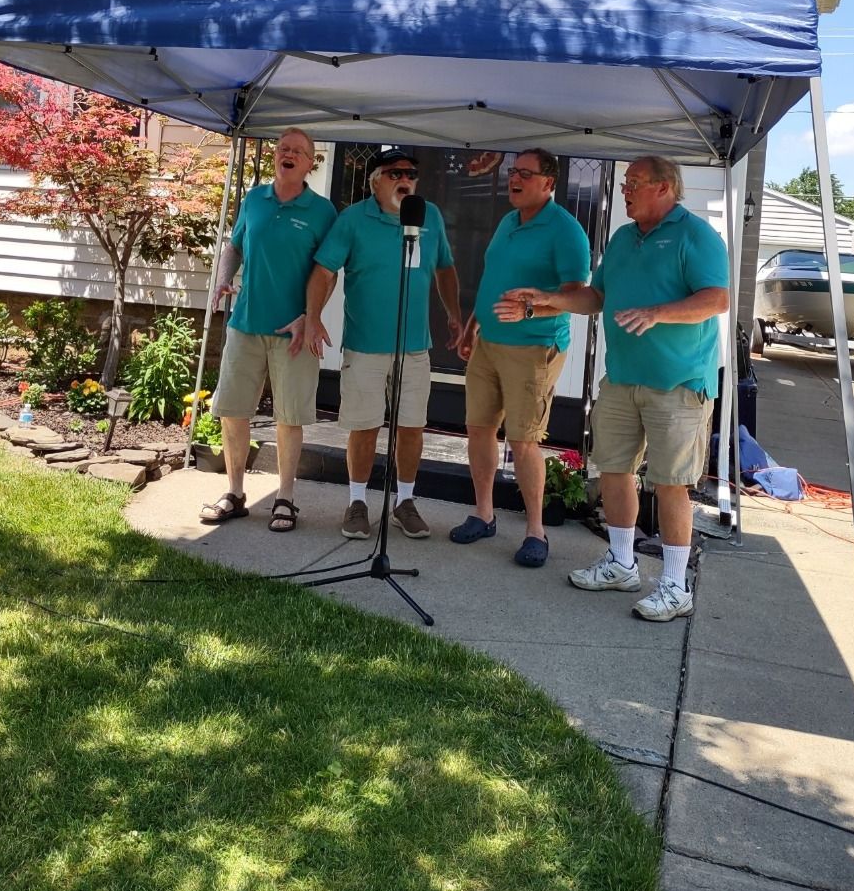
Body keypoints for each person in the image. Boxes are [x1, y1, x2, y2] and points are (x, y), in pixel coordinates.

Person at [496, 156, 729, 621]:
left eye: (635, 184)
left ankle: (674, 585)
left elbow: (716, 298)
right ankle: (622, 563)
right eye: (625, 183)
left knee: (670, 483)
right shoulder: (623, 239)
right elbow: (595, 296)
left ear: (664, 188)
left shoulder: (695, 235)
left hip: (678, 384)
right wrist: (546, 302)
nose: (625, 191)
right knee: (615, 472)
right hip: (622, 378)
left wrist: (659, 312)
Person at [305, 148, 461, 541]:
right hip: (365, 344)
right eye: (394, 173)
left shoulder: (430, 216)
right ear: (375, 181)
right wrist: (313, 316)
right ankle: (357, 502)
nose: (405, 179)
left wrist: (454, 315)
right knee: (365, 426)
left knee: (411, 427)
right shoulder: (353, 218)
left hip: (414, 347)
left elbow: (444, 268)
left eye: (411, 173)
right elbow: (324, 270)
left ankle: (404, 502)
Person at [450, 148, 591, 568]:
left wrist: (531, 308)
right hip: (489, 343)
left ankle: (535, 531)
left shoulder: (566, 231)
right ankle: (484, 514)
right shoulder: (508, 221)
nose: (515, 179)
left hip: (534, 346)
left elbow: (577, 297)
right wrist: (472, 326)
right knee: (478, 429)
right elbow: (493, 279)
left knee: (524, 440)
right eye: (514, 172)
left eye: (525, 174)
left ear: (549, 183)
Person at [200, 128, 337, 533]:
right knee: (232, 411)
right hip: (245, 324)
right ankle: (236, 493)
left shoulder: (322, 211)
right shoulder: (254, 199)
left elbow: (327, 273)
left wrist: (311, 317)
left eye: (298, 151)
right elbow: (234, 246)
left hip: (294, 333)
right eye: (283, 149)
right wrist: (223, 279)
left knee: (289, 417)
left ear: (311, 163)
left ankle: (285, 498)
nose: (288, 154)